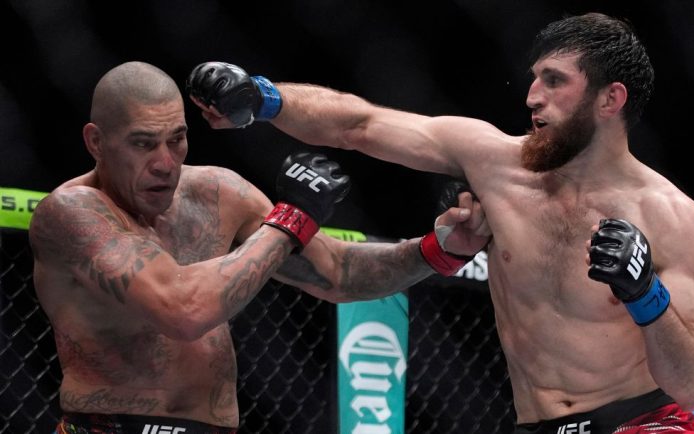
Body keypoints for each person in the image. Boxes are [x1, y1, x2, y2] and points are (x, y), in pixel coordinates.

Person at [186, 12, 694, 433]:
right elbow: (361, 124)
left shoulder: (670, 217)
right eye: (535, 78)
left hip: (642, 423)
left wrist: (646, 292)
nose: (532, 95)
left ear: (611, 98)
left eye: (555, 81)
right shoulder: (496, 161)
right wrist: (262, 96)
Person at [28, 61, 489, 434]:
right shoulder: (72, 213)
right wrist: (291, 218)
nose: (165, 163)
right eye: (143, 144)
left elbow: (337, 271)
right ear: (96, 142)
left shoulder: (218, 193)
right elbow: (182, 309)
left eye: (177, 139)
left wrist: (440, 248)